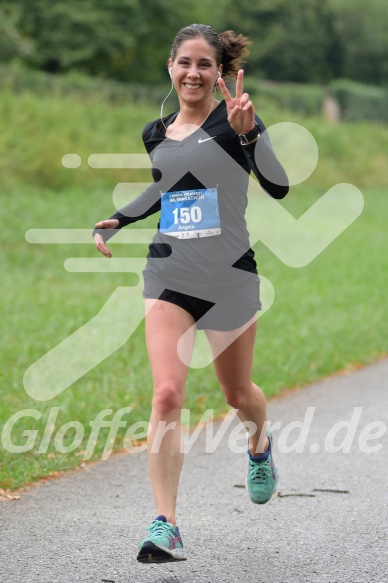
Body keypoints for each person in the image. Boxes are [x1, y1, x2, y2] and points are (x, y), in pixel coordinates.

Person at [93, 23, 288, 563]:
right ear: (171, 68)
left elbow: (279, 185)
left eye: (206, 64)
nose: (194, 73)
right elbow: (165, 186)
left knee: (238, 395)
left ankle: (258, 445)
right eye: (185, 63)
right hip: (169, 274)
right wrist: (120, 218)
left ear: (219, 73)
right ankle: (165, 524)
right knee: (166, 395)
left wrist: (250, 135)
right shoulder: (155, 131)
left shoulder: (237, 121)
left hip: (229, 277)